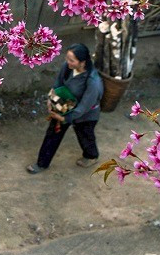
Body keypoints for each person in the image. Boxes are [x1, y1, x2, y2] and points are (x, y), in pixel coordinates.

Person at [27, 43, 103, 173]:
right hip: (63, 106)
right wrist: (52, 100)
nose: (67, 62)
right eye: (67, 58)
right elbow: (58, 84)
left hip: (85, 114)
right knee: (52, 134)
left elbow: (84, 107)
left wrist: (64, 118)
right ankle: (42, 163)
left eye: (72, 60)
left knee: (85, 136)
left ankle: (91, 156)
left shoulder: (93, 81)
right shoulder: (67, 67)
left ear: (82, 62)